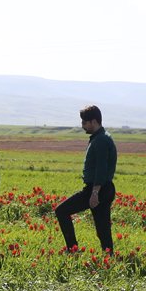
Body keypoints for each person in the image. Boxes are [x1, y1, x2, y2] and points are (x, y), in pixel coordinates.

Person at [55, 104, 118, 253]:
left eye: (84, 122)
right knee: (102, 227)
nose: (82, 125)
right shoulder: (99, 138)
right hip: (102, 187)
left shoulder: (101, 140)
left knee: (62, 211)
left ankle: (73, 249)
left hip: (98, 188)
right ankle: (108, 255)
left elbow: (101, 167)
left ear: (94, 121)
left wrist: (95, 192)